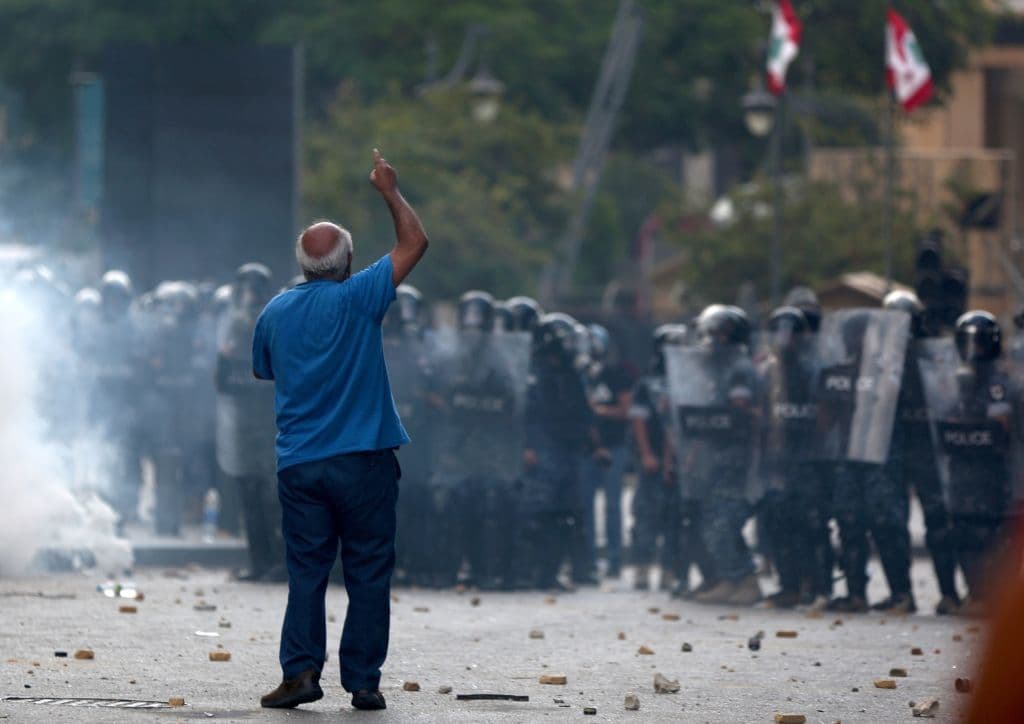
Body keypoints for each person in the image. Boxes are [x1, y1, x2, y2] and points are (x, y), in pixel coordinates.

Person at [256, 149, 428, 712]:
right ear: (349, 263)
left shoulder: (275, 311)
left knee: (306, 571)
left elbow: (265, 370)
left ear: (303, 265)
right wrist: (389, 191)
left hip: (301, 463)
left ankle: (301, 673)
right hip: (363, 460)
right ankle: (364, 681)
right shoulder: (360, 297)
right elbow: (414, 244)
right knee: (368, 571)